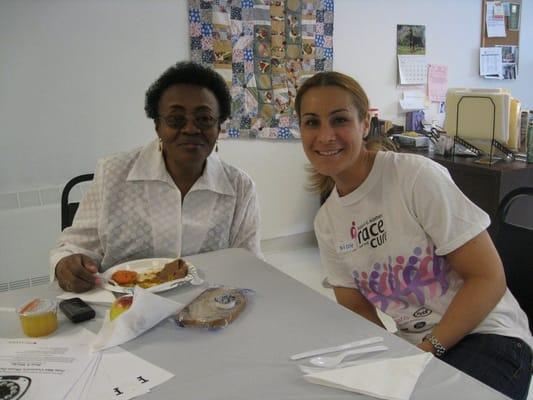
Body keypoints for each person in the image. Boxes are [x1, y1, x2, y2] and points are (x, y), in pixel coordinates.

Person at [295, 71, 532, 400]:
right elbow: (355, 306)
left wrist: (427, 349)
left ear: (365, 124)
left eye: (339, 120)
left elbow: (488, 278)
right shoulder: (327, 221)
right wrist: (384, 361)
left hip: (488, 335)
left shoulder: (413, 177)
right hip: (418, 348)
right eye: (311, 122)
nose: (325, 136)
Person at [50, 61, 261, 293]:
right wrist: (66, 264)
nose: (191, 129)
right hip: (123, 309)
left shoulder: (239, 187)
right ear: (157, 126)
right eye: (176, 119)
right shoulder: (113, 173)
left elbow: (248, 263)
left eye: (204, 119)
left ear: (218, 126)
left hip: (205, 308)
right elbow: (75, 247)